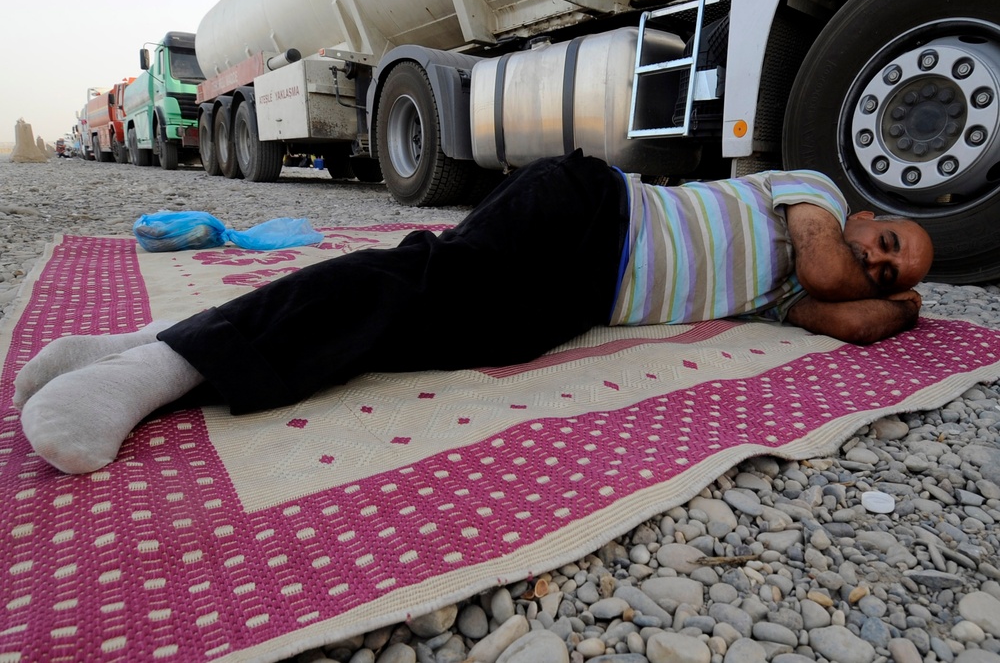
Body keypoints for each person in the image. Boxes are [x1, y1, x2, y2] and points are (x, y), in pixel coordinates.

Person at [13, 150, 933, 475]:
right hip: (594, 215)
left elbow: (849, 321)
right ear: (861, 214)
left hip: (578, 292)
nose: (879, 263)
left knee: (405, 315)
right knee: (408, 291)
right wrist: (889, 289)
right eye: (888, 241)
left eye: (896, 273)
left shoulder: (797, 298)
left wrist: (893, 307)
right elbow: (830, 267)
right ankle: (147, 371)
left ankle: (147, 348)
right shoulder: (810, 195)